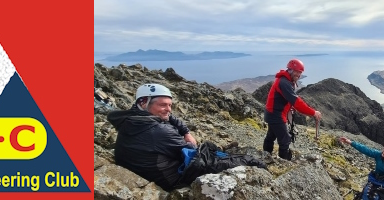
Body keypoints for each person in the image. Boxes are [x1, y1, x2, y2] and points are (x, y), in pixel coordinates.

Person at [109, 83, 265, 190]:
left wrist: (186, 132)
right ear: (143, 103)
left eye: (170, 105)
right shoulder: (158, 132)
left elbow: (170, 118)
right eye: (163, 105)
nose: (168, 110)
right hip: (173, 179)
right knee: (222, 154)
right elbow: (195, 153)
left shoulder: (132, 119)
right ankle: (260, 166)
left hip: (151, 168)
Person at [264, 59, 322, 160]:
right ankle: (283, 162)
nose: (298, 74)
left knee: (271, 136)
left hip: (272, 113)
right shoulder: (284, 83)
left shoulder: (286, 81)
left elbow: (288, 100)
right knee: (285, 140)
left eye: (300, 72)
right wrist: (313, 112)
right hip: (275, 115)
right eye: (296, 71)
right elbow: (296, 102)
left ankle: (265, 156)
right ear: (290, 70)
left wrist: (290, 107)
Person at [338, 136, 384, 200]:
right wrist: (350, 142)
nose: (383, 152)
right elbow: (366, 150)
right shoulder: (379, 155)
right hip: (375, 180)